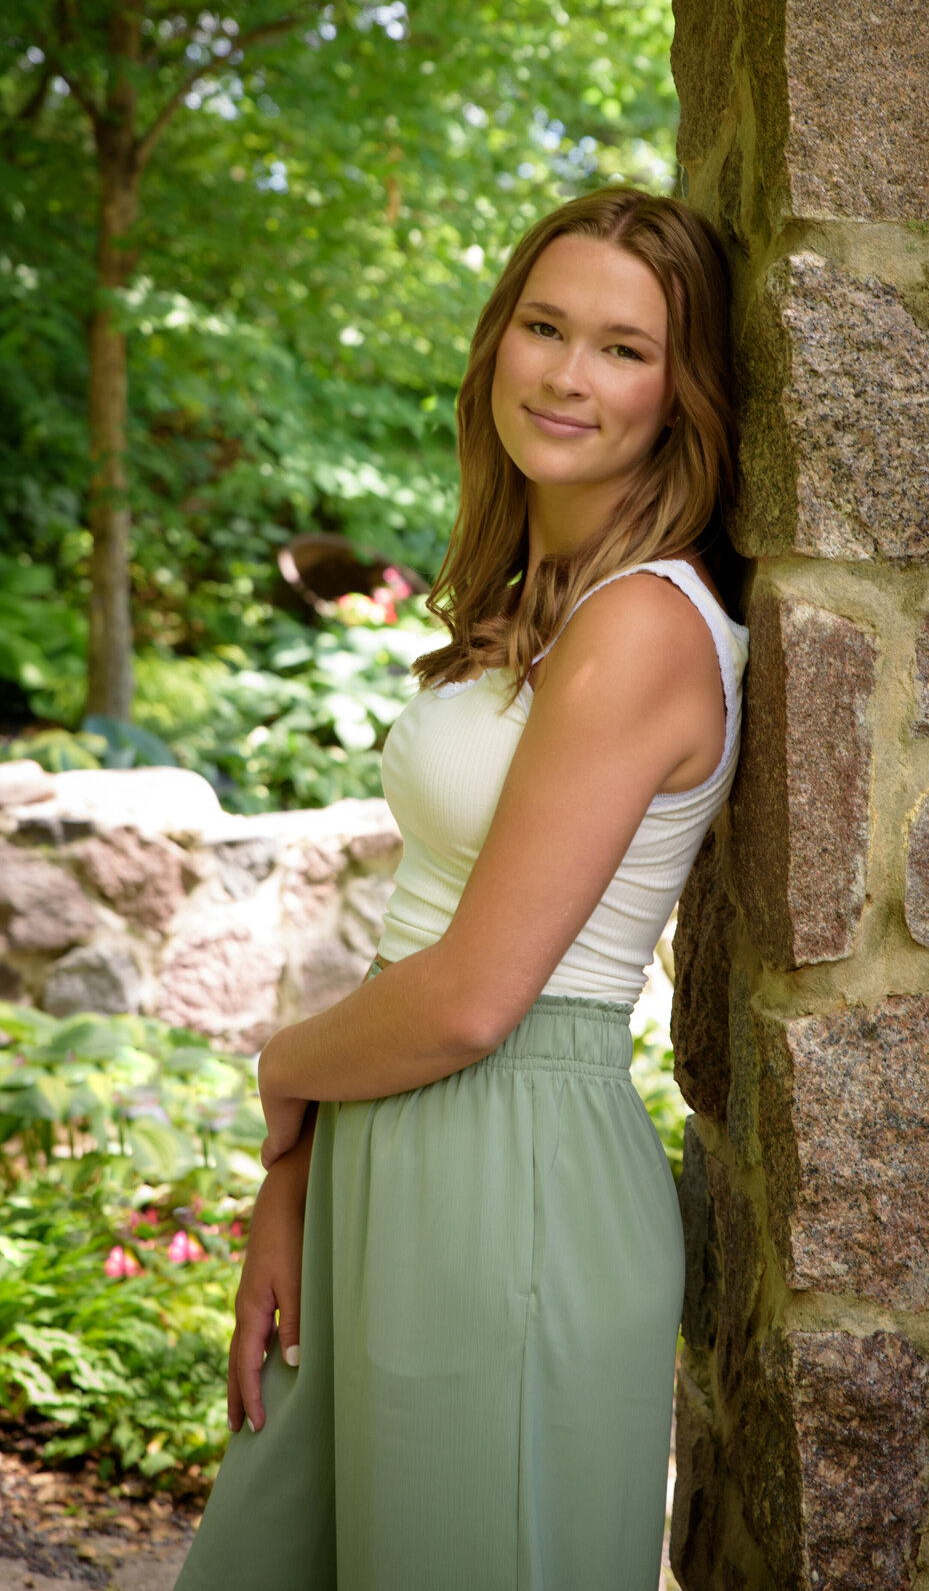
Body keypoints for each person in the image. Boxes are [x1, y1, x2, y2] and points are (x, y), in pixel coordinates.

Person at [175, 185, 749, 1591]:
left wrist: (283, 1067)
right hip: (405, 1150)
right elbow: (429, 948)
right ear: (497, 340)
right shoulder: (536, 598)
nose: (565, 373)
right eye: (545, 326)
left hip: (516, 1182)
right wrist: (300, 1175)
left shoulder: (641, 628)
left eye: (623, 346)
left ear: (683, 394)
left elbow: (480, 995)